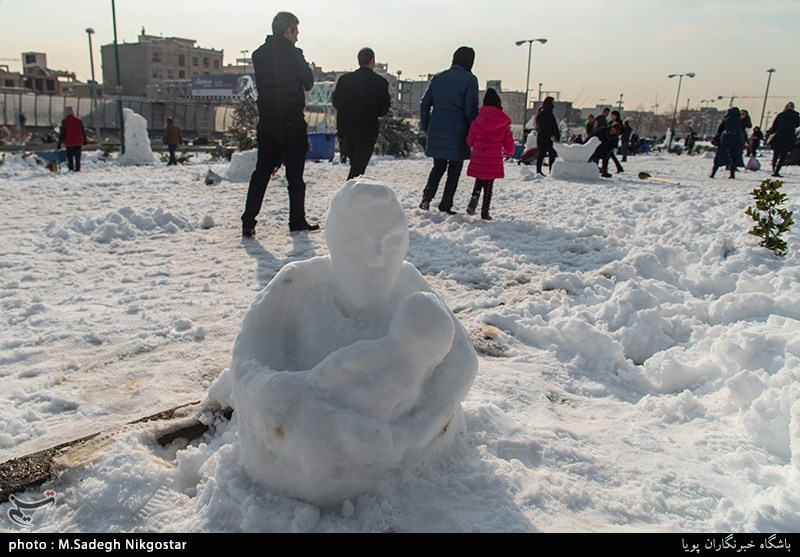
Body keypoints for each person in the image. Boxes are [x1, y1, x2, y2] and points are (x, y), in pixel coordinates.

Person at [222, 178, 478, 506]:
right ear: (333, 239)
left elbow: (461, 363)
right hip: (300, 452)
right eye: (359, 241)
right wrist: (300, 393)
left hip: (388, 449)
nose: (378, 257)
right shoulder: (296, 286)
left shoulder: (410, 288)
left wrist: (407, 437)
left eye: (394, 240)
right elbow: (246, 366)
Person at [241, 11, 318, 238]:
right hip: (291, 120)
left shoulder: (258, 55)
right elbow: (310, 82)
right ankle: (296, 221)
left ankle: (248, 221)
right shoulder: (294, 54)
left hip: (267, 120)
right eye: (296, 32)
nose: (297, 37)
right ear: (288, 31)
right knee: (295, 176)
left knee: (261, 172)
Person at [418, 46, 479, 215]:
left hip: (437, 128)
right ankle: (446, 203)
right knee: (454, 168)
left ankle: (426, 198)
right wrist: (474, 129)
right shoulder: (470, 80)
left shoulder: (439, 77)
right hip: (459, 131)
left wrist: (426, 126)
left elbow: (424, 104)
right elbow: (470, 110)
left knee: (438, 166)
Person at [332, 47, 391, 180]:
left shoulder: (344, 80)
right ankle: (349, 196)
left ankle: (352, 194)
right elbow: (384, 109)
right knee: (358, 170)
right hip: (366, 131)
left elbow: (336, 102)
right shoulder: (380, 82)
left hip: (345, 130)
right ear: (372, 61)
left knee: (355, 166)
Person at [464, 88, 515, 221]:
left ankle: (474, 200)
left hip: (479, 156)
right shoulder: (502, 123)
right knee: (488, 185)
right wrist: (509, 152)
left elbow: (469, 140)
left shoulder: (477, 121)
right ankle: (485, 211)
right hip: (493, 158)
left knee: (479, 180)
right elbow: (508, 141)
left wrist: (473, 144)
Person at [765, 101, 800, 178]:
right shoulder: (796, 115)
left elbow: (774, 126)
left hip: (778, 136)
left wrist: (770, 135)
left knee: (775, 155)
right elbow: (797, 125)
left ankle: (773, 169)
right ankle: (777, 170)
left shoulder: (780, 115)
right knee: (783, 156)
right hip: (789, 137)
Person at [710, 107, 745, 179]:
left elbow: (720, 130)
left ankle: (713, 173)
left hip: (725, 140)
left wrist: (716, 138)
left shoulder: (726, 119)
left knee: (720, 155)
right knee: (734, 156)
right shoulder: (740, 121)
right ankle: (732, 174)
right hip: (736, 140)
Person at [535, 96, 560, 176]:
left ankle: (551, 170)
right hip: (544, 137)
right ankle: (538, 171)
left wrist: (556, 135)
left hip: (549, 138)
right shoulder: (543, 113)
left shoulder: (550, 113)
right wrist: (550, 135)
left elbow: (554, 125)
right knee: (542, 154)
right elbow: (544, 126)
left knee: (552, 154)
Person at [57, 107, 87, 172]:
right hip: (78, 141)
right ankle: (77, 168)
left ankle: (71, 168)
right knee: (77, 156)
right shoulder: (78, 121)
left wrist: (59, 142)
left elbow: (63, 133)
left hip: (69, 142)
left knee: (70, 156)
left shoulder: (64, 121)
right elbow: (82, 131)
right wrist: (85, 139)